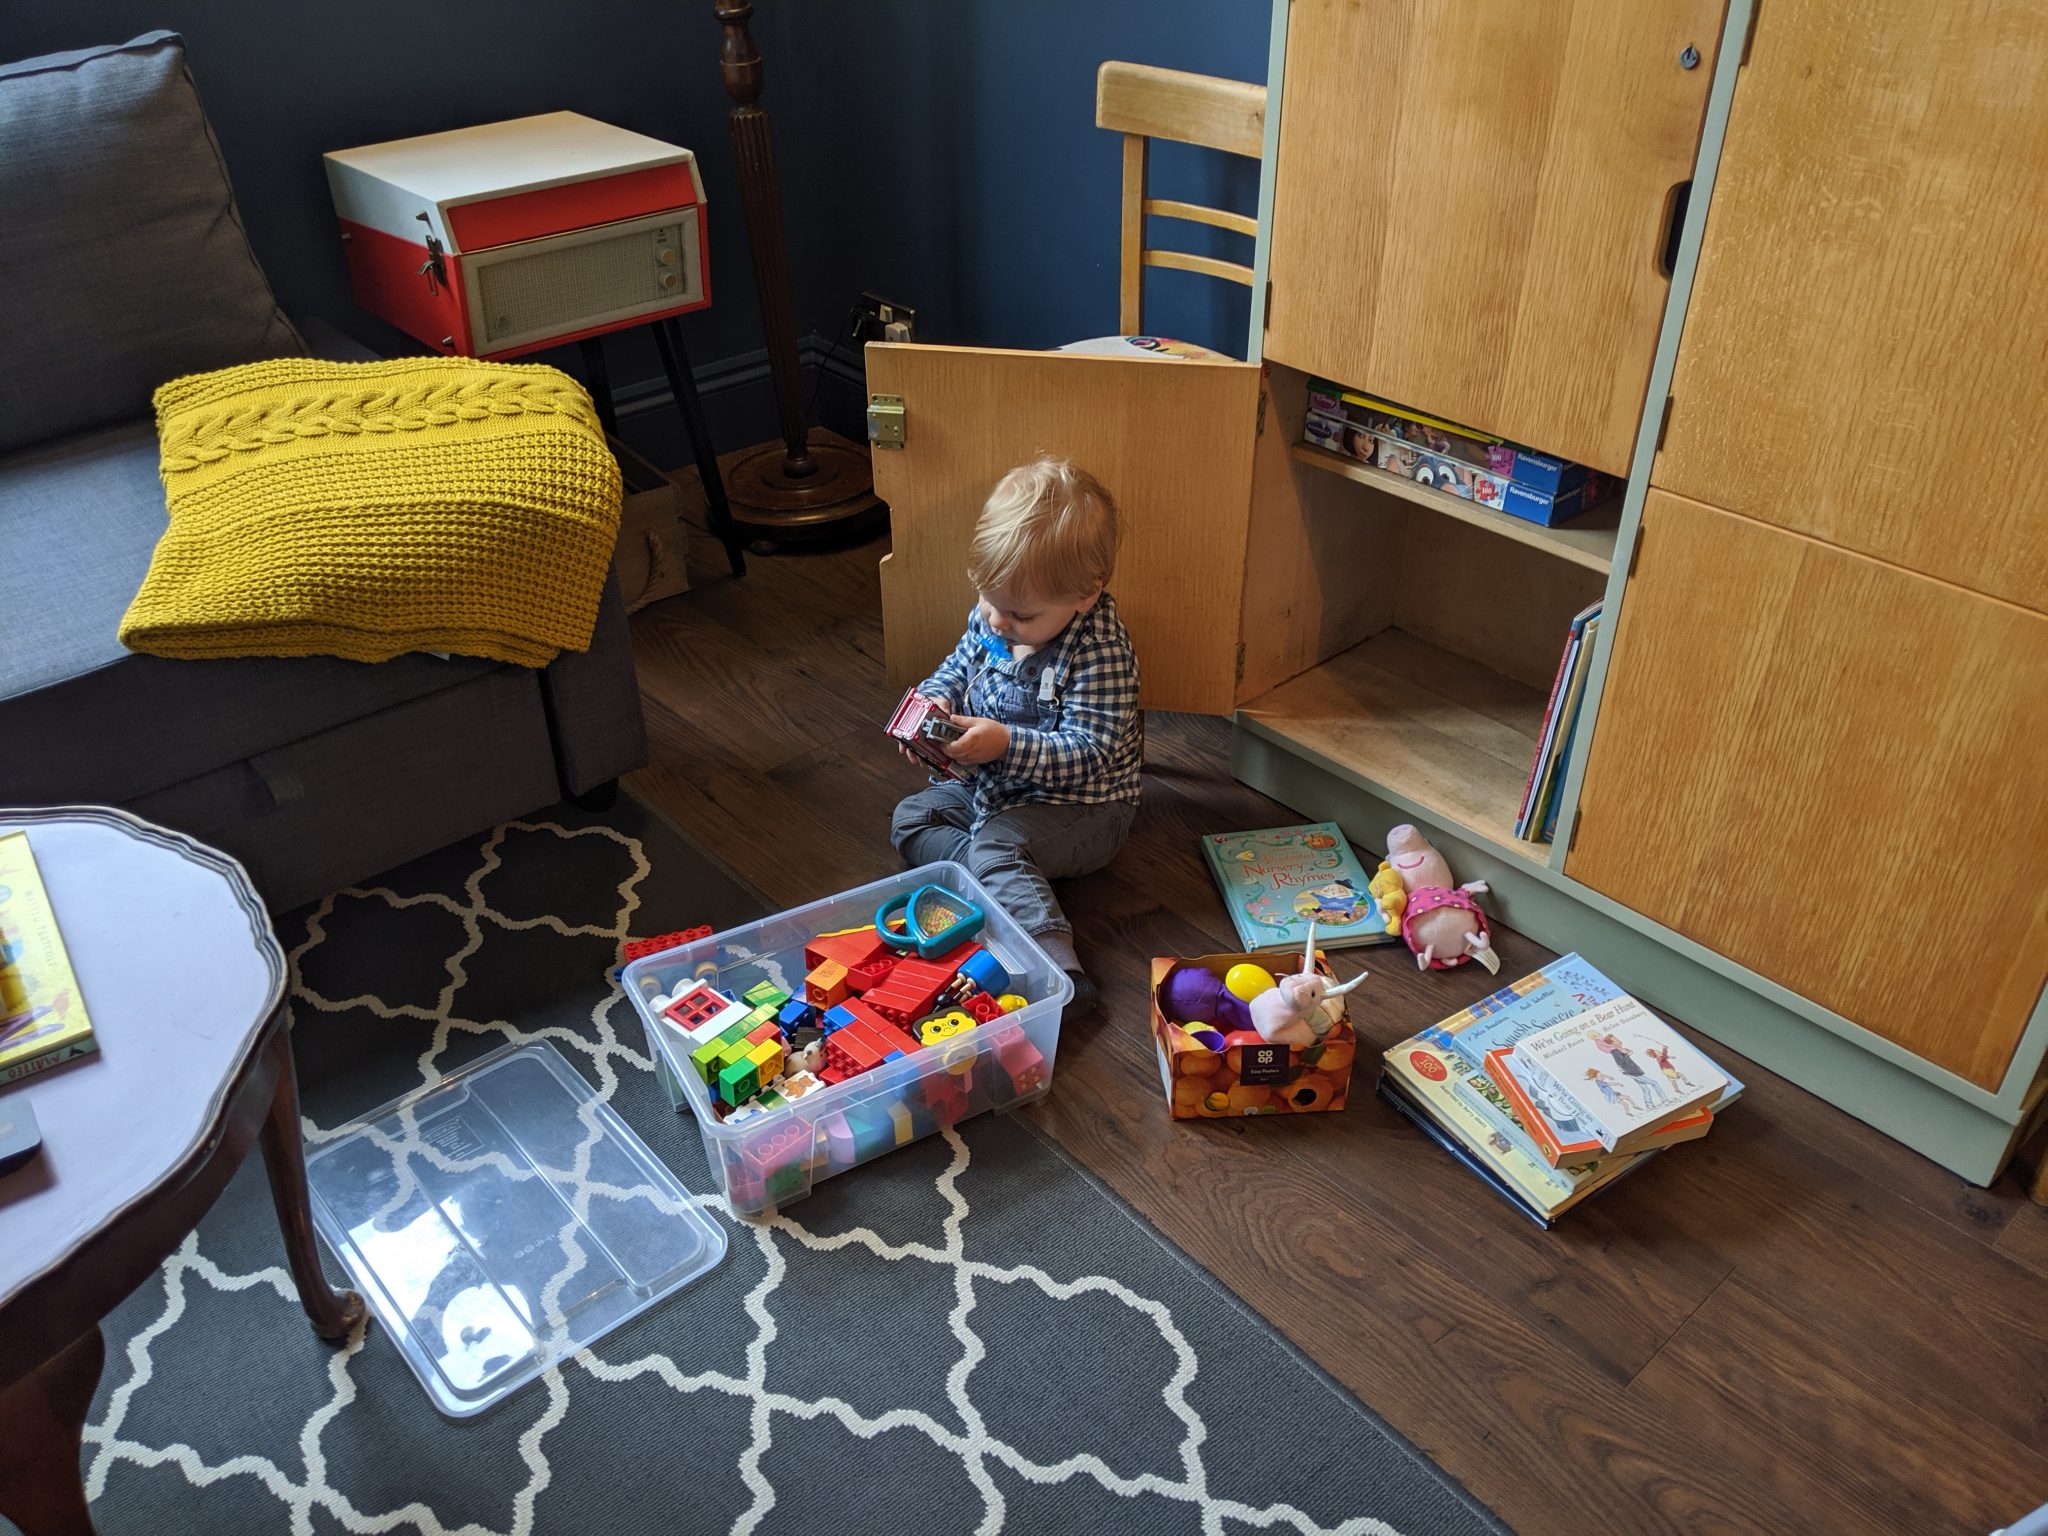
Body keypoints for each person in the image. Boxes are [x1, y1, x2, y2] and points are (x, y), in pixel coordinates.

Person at [890, 457, 1141, 1008]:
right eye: (988, 599)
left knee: (998, 845)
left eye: (1021, 616)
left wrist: (1004, 743)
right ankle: (1000, 883)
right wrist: (937, 699)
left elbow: (1090, 755)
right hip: (992, 788)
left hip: (1084, 807)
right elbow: (958, 665)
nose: (999, 622)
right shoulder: (998, 613)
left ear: (1086, 595)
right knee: (911, 819)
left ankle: (1063, 972)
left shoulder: (1100, 653)